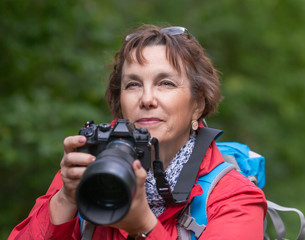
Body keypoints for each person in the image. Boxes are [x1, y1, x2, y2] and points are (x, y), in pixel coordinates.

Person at [9, 24, 267, 240]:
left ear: (197, 105)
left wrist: (145, 227)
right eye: (133, 84)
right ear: (119, 101)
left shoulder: (234, 198)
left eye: (165, 83)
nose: (146, 98)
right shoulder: (93, 165)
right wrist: (65, 198)